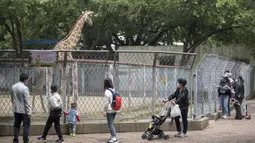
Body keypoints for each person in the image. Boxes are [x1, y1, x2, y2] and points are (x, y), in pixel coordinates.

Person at [11, 73, 31, 143]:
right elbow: (27, 101)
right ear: (25, 80)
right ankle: (25, 141)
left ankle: (15, 140)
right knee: (26, 126)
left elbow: (12, 98)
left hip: (16, 110)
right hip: (24, 111)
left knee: (16, 125)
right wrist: (28, 112)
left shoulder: (13, 86)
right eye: (27, 80)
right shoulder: (25, 88)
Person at [103, 78, 118, 143]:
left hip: (109, 110)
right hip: (115, 109)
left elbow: (106, 103)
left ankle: (114, 138)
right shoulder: (114, 90)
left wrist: (104, 111)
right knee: (111, 123)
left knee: (110, 124)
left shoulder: (106, 92)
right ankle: (112, 136)